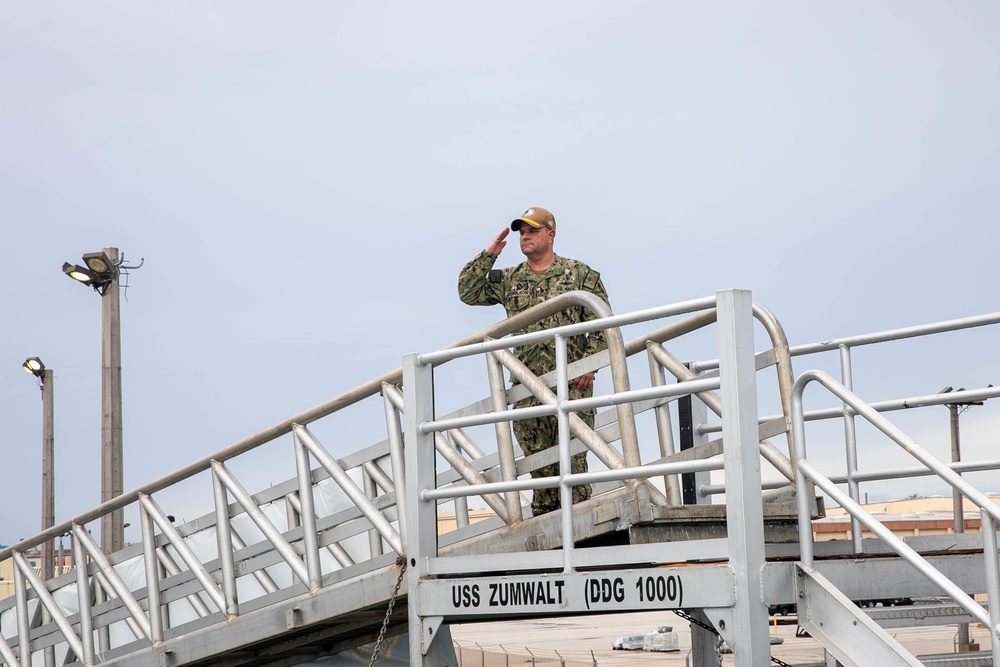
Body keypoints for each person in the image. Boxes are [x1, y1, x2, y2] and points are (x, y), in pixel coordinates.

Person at [457, 206, 610, 516]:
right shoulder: (509, 278)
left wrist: (590, 366)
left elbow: (602, 323)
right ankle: (549, 537)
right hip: (527, 390)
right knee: (540, 471)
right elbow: (467, 291)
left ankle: (582, 532)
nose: (524, 237)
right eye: (521, 232)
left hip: (572, 385)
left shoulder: (579, 274)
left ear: (550, 235)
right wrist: (489, 255)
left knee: (574, 465)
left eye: (532, 231)